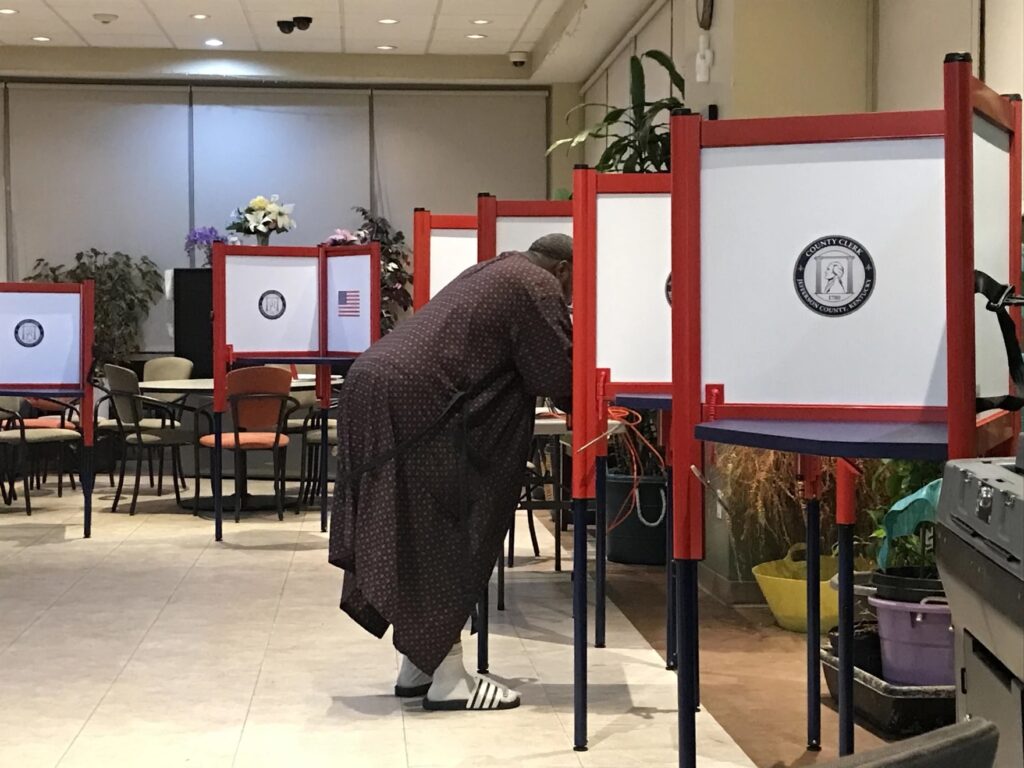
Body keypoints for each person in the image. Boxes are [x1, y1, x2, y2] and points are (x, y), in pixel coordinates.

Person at [329, 233, 573, 712]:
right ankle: (449, 681)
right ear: (563, 270)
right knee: (446, 527)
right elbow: (557, 375)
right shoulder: (537, 285)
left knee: (410, 525)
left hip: (371, 384)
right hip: (411, 403)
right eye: (575, 287)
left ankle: (419, 664)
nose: (570, 299)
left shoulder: (493, 269)